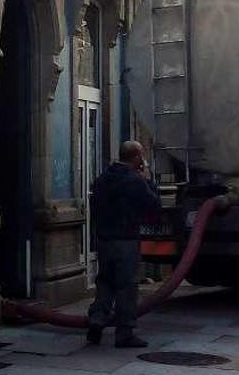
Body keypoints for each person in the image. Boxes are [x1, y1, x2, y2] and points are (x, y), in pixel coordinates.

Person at [87, 141, 162, 348]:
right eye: (142, 156)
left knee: (105, 282)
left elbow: (94, 207)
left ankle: (97, 319)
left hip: (104, 240)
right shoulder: (135, 181)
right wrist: (148, 180)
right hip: (126, 240)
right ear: (137, 157)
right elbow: (154, 205)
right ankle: (125, 332)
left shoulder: (102, 179)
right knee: (126, 286)